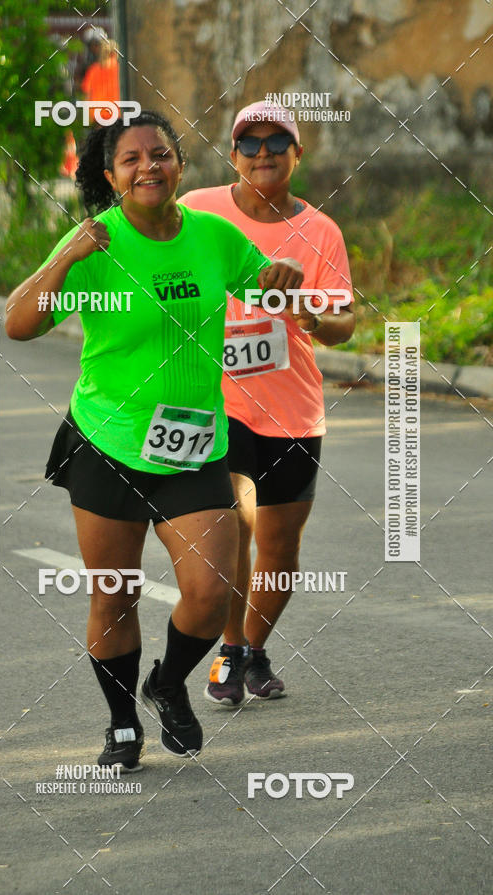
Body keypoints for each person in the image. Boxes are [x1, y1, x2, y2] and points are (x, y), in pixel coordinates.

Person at [4, 110, 302, 771]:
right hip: (108, 439)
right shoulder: (95, 242)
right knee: (115, 592)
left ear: (179, 165)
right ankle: (119, 726)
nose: (149, 166)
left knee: (212, 587)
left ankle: (167, 686)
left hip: (193, 442)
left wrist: (285, 282)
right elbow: (18, 323)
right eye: (132, 158)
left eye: (160, 153)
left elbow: (268, 288)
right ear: (110, 175)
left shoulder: (213, 238)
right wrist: (65, 260)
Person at [179, 101, 355, 706]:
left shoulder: (320, 232)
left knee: (279, 547)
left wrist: (307, 309)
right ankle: (227, 651)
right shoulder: (197, 210)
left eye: (277, 143)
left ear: (297, 155)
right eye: (250, 145)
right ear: (233, 156)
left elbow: (345, 323)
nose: (263, 154)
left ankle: (254, 649)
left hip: (292, 409)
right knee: (230, 532)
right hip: (211, 402)